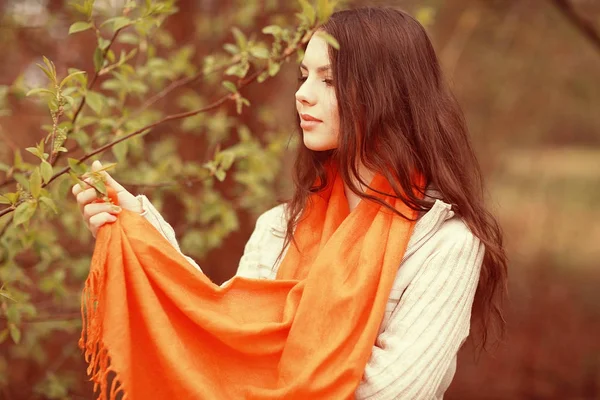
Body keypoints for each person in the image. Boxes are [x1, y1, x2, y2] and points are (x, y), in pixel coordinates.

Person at [72, 6, 507, 399]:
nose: (302, 93)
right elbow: (230, 334)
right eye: (304, 75)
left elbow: (394, 392)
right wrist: (141, 231)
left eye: (329, 80)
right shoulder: (279, 225)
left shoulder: (446, 242)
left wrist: (270, 365)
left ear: (387, 94)